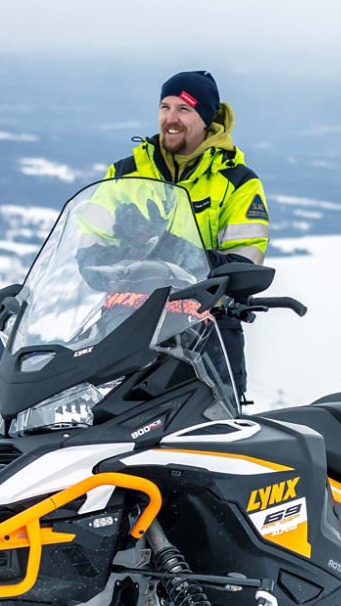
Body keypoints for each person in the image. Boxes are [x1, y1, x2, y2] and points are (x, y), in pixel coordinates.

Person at [102, 71, 270, 402]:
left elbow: (244, 264)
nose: (171, 119)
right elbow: (85, 253)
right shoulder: (125, 174)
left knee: (211, 444)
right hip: (127, 324)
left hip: (208, 330)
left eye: (184, 109)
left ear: (206, 119)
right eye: (165, 107)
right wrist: (122, 248)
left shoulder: (237, 182)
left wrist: (175, 250)